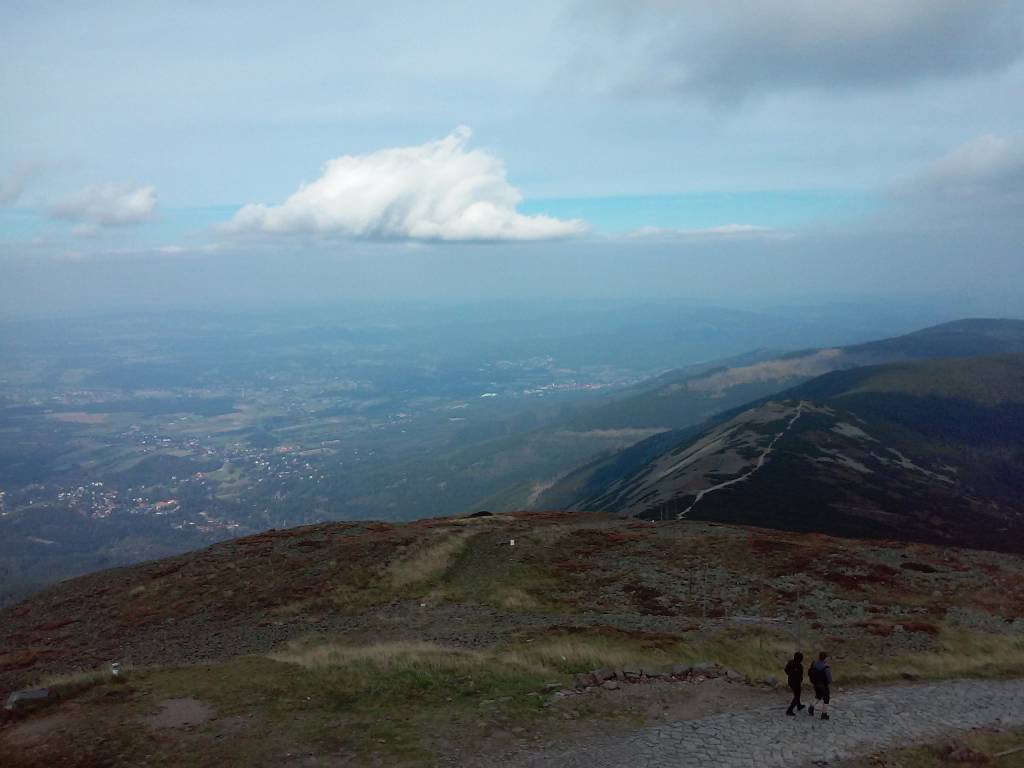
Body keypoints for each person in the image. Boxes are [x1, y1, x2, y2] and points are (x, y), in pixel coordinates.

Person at [808, 651, 832, 720]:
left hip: (815, 683)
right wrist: (829, 682)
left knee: (818, 696)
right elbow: (829, 678)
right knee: (826, 698)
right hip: (823, 685)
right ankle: (824, 714)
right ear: (825, 658)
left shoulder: (814, 663)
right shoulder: (826, 667)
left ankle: (811, 707)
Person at [784, 652, 805, 716]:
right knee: (797, 696)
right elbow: (800, 675)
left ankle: (799, 705)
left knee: (797, 694)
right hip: (796, 682)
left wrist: (790, 674)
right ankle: (789, 710)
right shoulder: (799, 666)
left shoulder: (790, 663)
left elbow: (786, 670)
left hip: (790, 680)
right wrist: (800, 679)